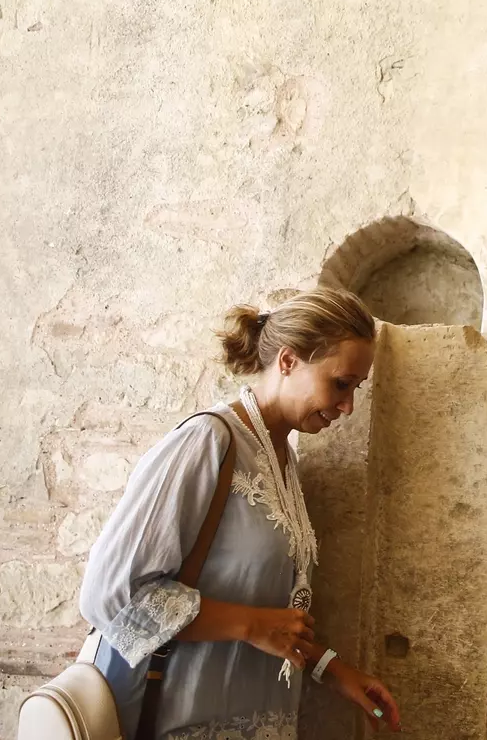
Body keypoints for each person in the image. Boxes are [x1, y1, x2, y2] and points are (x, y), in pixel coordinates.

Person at [78, 287, 401, 738]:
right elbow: (110, 594)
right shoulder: (208, 442)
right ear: (288, 361)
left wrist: (334, 670)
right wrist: (249, 625)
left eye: (356, 390)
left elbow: (275, 616)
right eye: (341, 384)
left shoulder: (283, 461)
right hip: (175, 718)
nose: (347, 407)